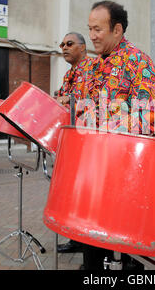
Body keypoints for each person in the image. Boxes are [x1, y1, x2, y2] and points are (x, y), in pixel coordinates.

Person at [77, 0, 155, 270]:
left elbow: (153, 115)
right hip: (93, 171)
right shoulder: (91, 68)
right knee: (92, 245)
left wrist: (108, 128)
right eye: (89, 29)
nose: (92, 36)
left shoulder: (138, 61)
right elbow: (83, 113)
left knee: (126, 253)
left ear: (117, 29)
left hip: (125, 174)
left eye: (98, 29)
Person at [54, 32, 90, 254]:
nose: (64, 47)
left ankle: (88, 244)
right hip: (71, 141)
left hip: (87, 143)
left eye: (69, 44)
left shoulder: (93, 70)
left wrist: (72, 100)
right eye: (61, 44)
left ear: (83, 47)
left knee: (85, 195)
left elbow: (99, 101)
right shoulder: (70, 74)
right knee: (72, 195)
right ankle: (76, 240)